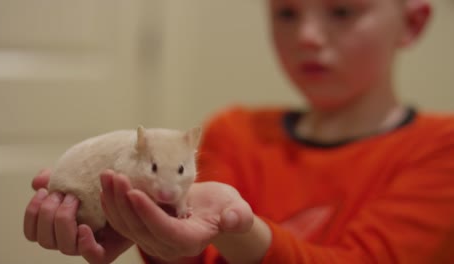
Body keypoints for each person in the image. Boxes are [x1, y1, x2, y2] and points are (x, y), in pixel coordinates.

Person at [24, 0, 454, 263]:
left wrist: (237, 228)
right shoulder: (235, 131)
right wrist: (148, 230)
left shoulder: (442, 148)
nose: (306, 35)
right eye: (286, 11)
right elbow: (197, 255)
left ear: (412, 23)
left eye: (342, 10)